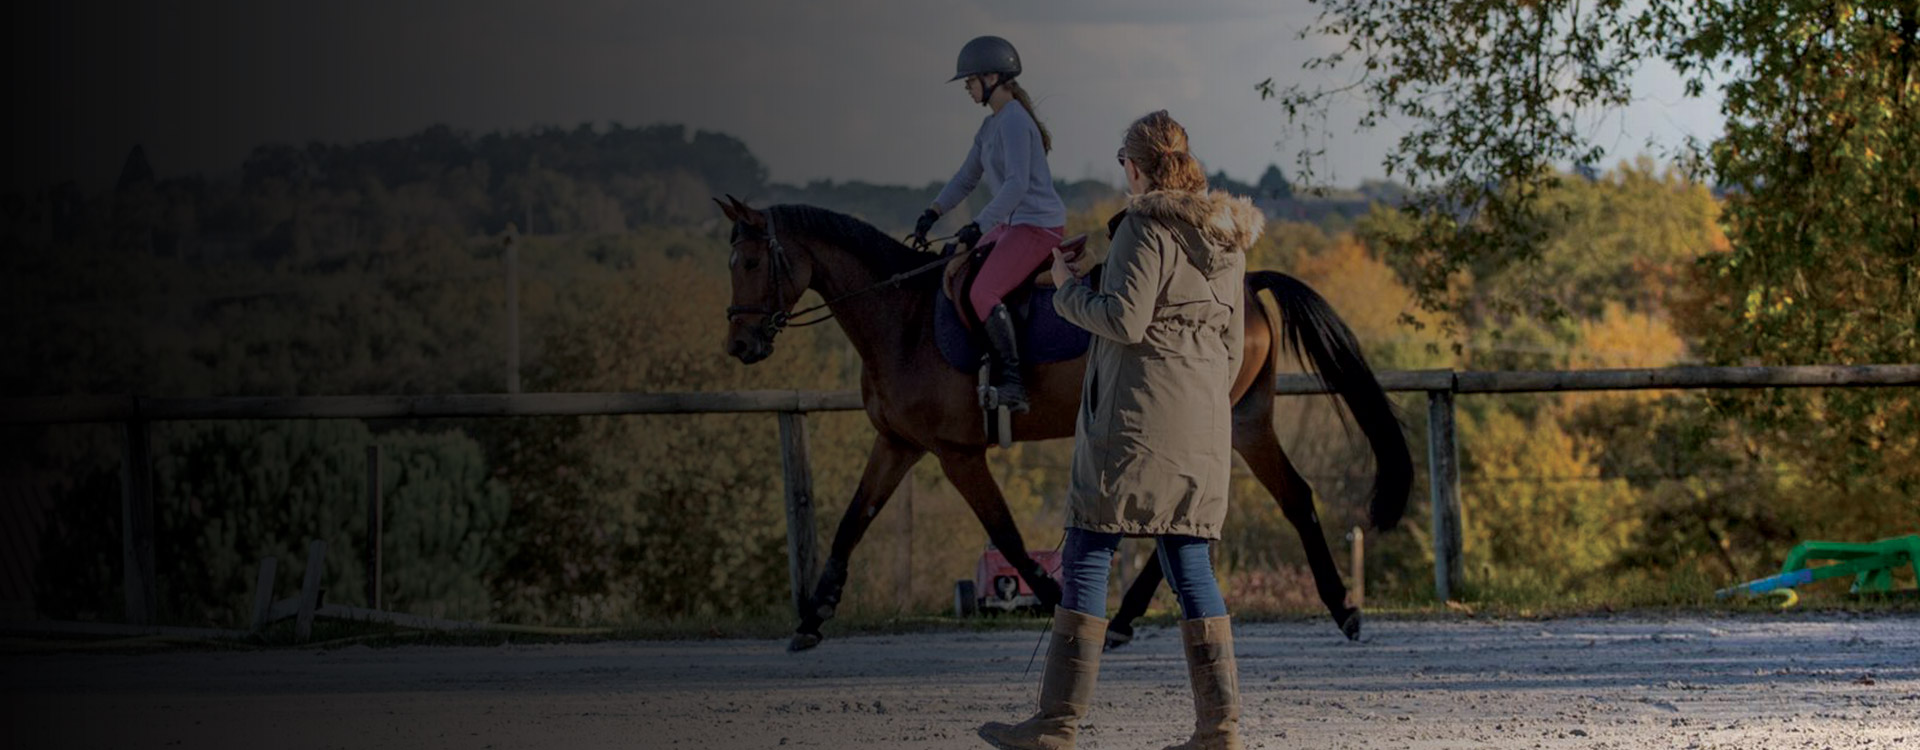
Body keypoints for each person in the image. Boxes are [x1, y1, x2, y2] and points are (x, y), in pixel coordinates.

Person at [978, 110, 1261, 750]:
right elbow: (1228, 346)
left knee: (1088, 549)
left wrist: (1063, 287)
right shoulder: (1226, 240)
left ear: (1135, 166)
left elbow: (1127, 322)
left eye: (1122, 163)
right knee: (1189, 560)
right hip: (1202, 425)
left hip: (1134, 421)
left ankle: (1055, 725)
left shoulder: (1143, 223)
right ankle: (1220, 729)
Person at [913, 35, 1068, 413]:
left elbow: (1016, 184)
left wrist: (979, 226)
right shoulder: (990, 127)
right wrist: (932, 211)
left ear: (992, 77)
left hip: (1037, 226)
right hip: (1013, 224)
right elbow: (966, 178)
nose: (967, 88)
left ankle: (1013, 383)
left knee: (983, 293)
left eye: (969, 81)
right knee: (954, 265)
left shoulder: (1015, 121)